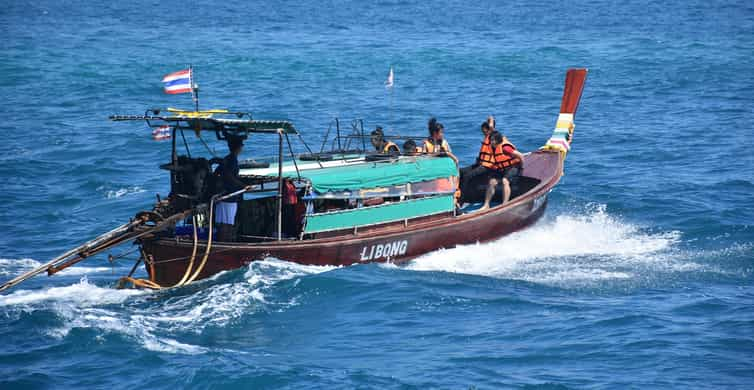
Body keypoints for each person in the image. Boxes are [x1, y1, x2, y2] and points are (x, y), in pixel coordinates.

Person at [214, 137, 251, 241]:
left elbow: (217, 173)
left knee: (222, 223)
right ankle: (224, 243)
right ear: (238, 147)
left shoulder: (226, 159)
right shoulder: (232, 160)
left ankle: (221, 242)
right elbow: (229, 176)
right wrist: (243, 186)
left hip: (223, 195)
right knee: (227, 224)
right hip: (229, 197)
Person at [480, 131, 525, 210]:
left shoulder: (505, 148)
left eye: (493, 140)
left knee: (505, 181)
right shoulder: (492, 148)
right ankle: (486, 205)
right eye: (491, 140)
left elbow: (520, 155)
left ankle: (504, 204)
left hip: (513, 167)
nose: (491, 142)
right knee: (492, 182)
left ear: (498, 140)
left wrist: (521, 167)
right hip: (502, 168)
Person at [459, 121, 495, 203]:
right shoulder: (486, 138)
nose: (483, 133)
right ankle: (460, 195)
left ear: (489, 130)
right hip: (480, 164)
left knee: (467, 176)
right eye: (482, 131)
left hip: (487, 166)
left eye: (485, 131)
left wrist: (490, 119)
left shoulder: (493, 137)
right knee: (460, 171)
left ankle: (461, 200)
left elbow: (492, 128)